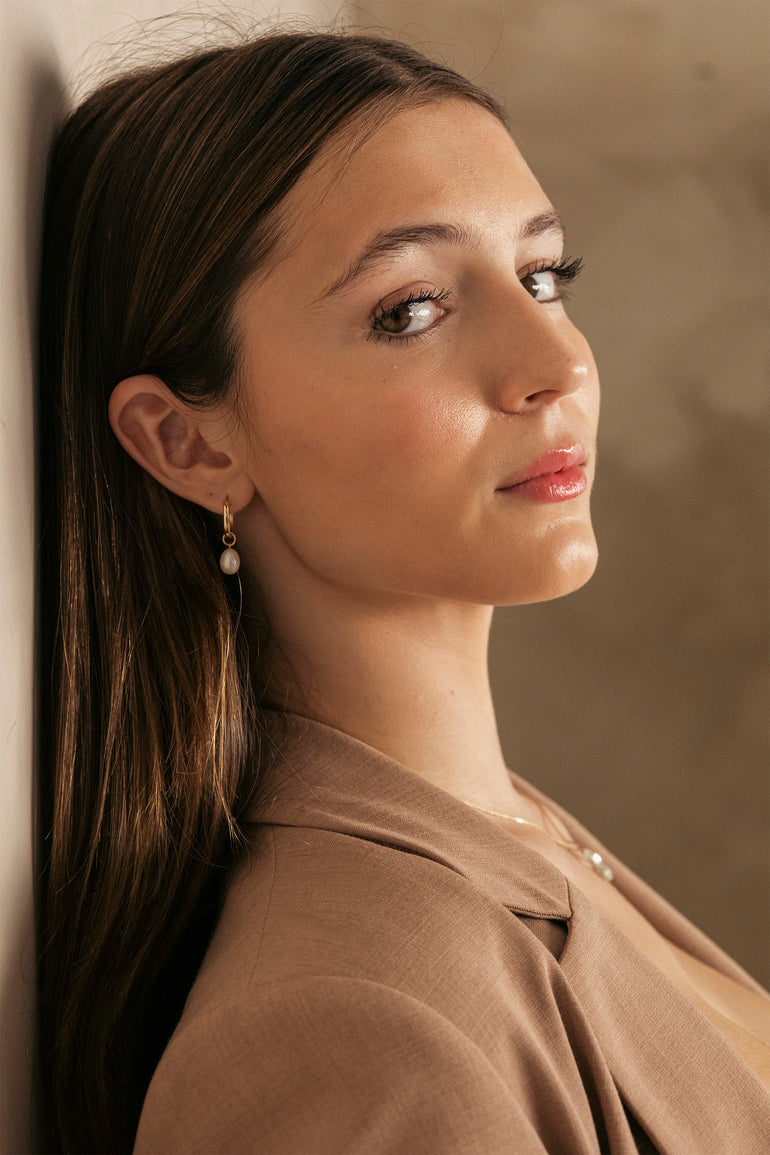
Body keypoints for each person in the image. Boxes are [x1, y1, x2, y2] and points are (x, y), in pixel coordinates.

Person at [37, 29, 769, 1155]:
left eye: (541, 275)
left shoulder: (512, 832)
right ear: (185, 442)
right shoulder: (348, 1036)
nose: (556, 362)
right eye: (409, 309)